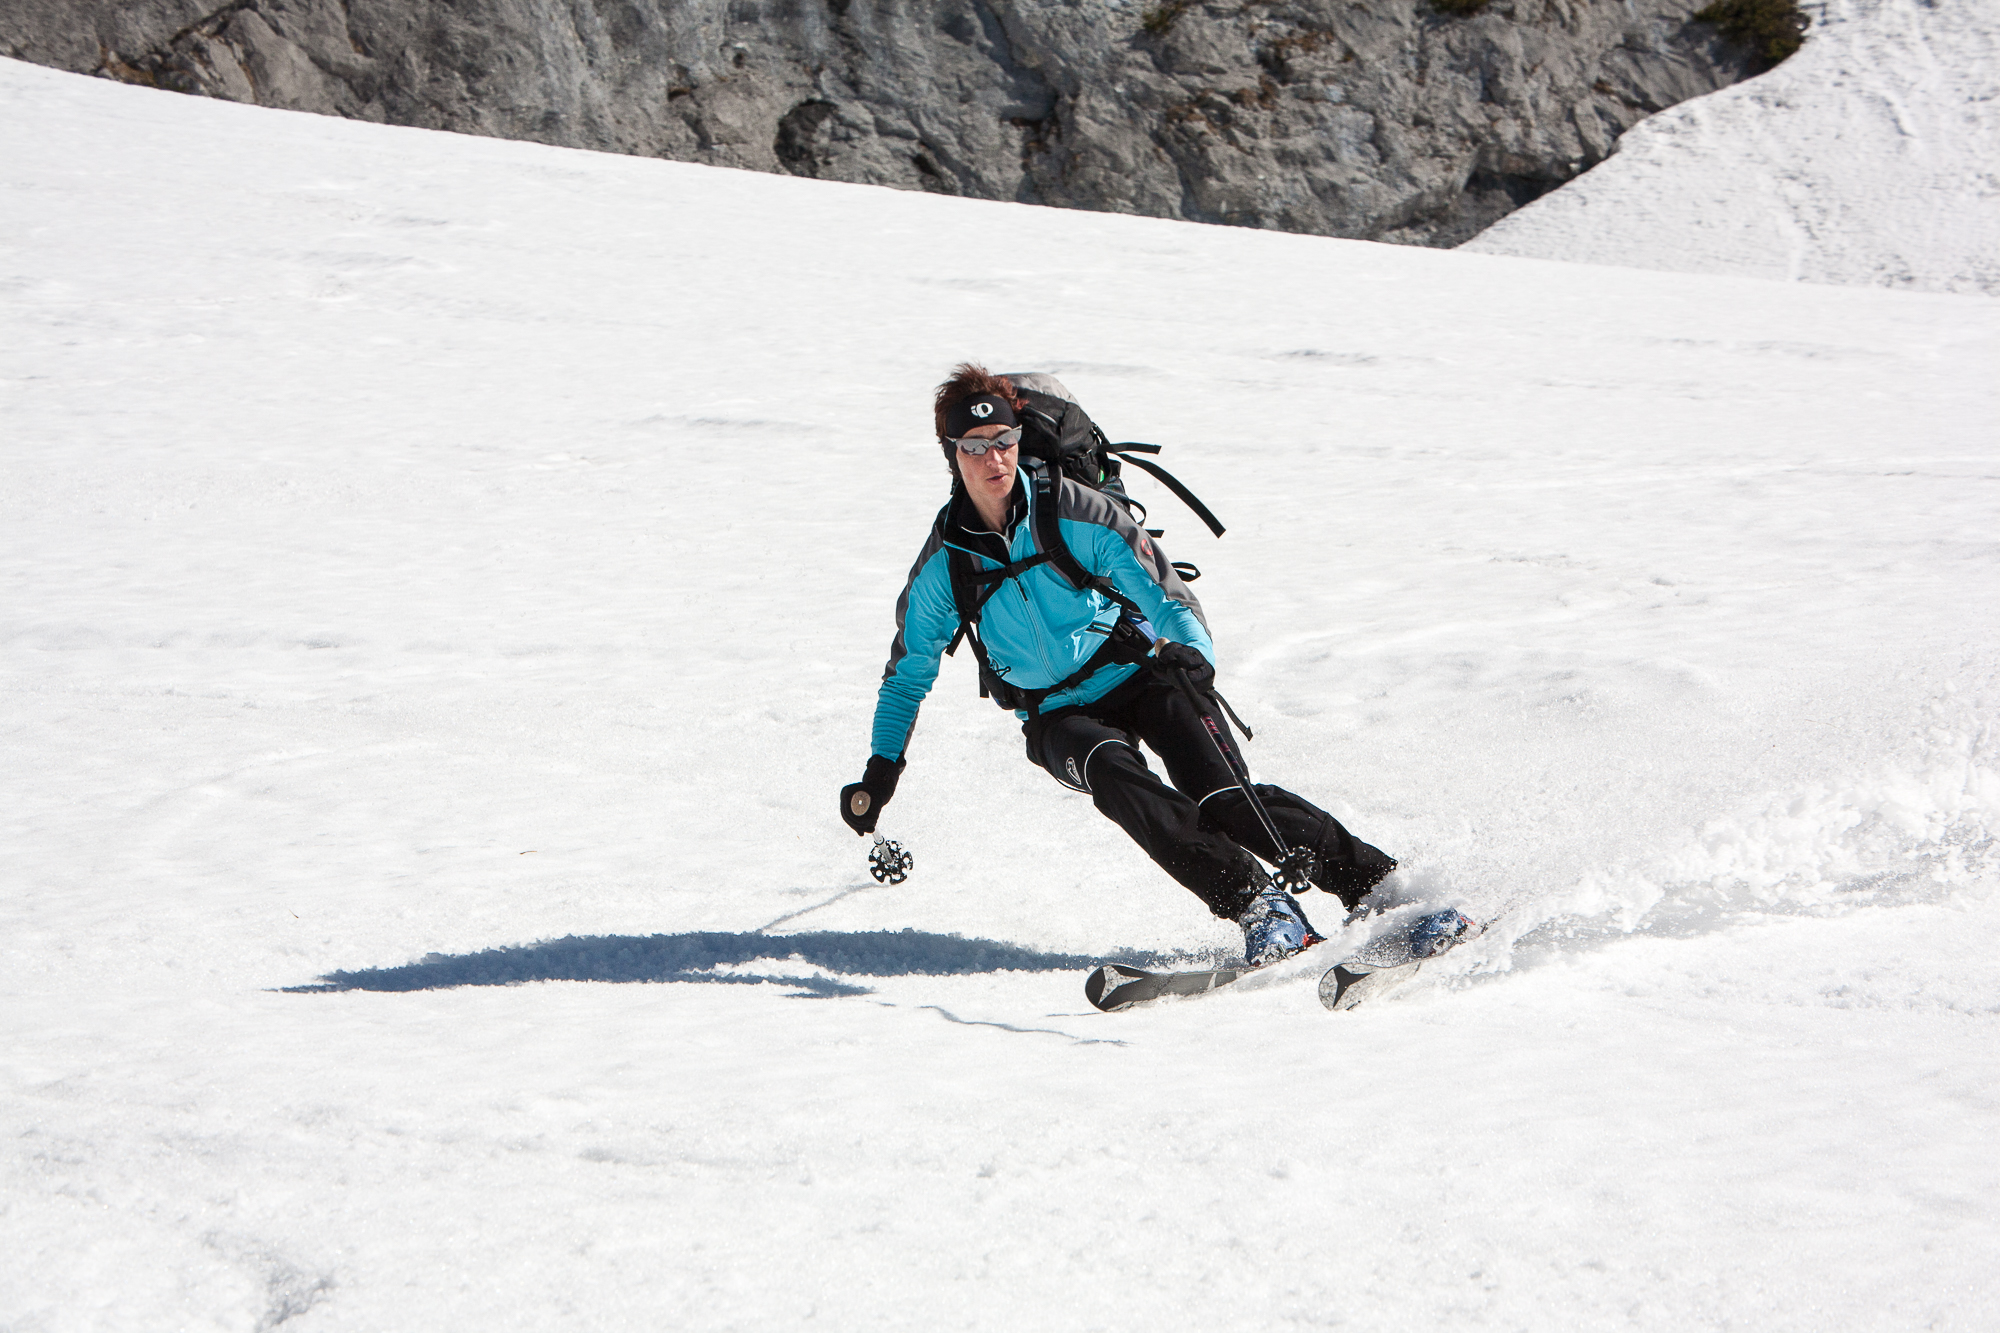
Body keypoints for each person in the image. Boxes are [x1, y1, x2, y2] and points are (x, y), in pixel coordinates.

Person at [839, 365, 1397, 963]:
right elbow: (908, 675)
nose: (993, 459)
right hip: (1055, 712)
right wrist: (881, 769)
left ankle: (1382, 886)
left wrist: (1192, 652)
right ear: (952, 453)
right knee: (1116, 779)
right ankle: (1261, 910)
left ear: (1018, 439)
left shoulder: (1075, 512)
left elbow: (1164, 594)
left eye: (1002, 441)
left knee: (1226, 799)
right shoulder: (945, 565)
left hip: (1140, 669)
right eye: (974, 448)